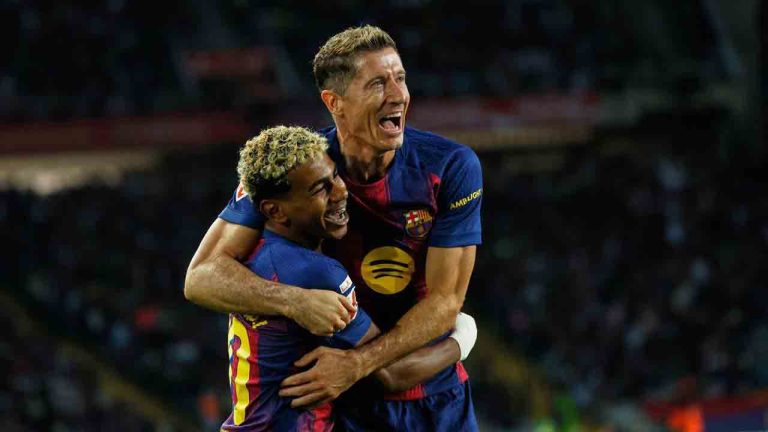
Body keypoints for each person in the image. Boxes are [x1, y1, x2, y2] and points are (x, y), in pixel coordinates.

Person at [185, 25, 482, 430]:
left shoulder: (450, 167)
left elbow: (446, 301)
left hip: (432, 393)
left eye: (400, 78)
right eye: (378, 83)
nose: (398, 95)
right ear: (334, 102)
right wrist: (294, 301)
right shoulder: (298, 170)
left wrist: (357, 363)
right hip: (341, 401)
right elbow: (201, 276)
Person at [220, 125, 476, 431]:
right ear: (275, 211)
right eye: (319, 189)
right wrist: (463, 338)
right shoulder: (318, 273)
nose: (341, 192)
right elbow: (394, 376)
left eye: (335, 177)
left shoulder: (247, 260)